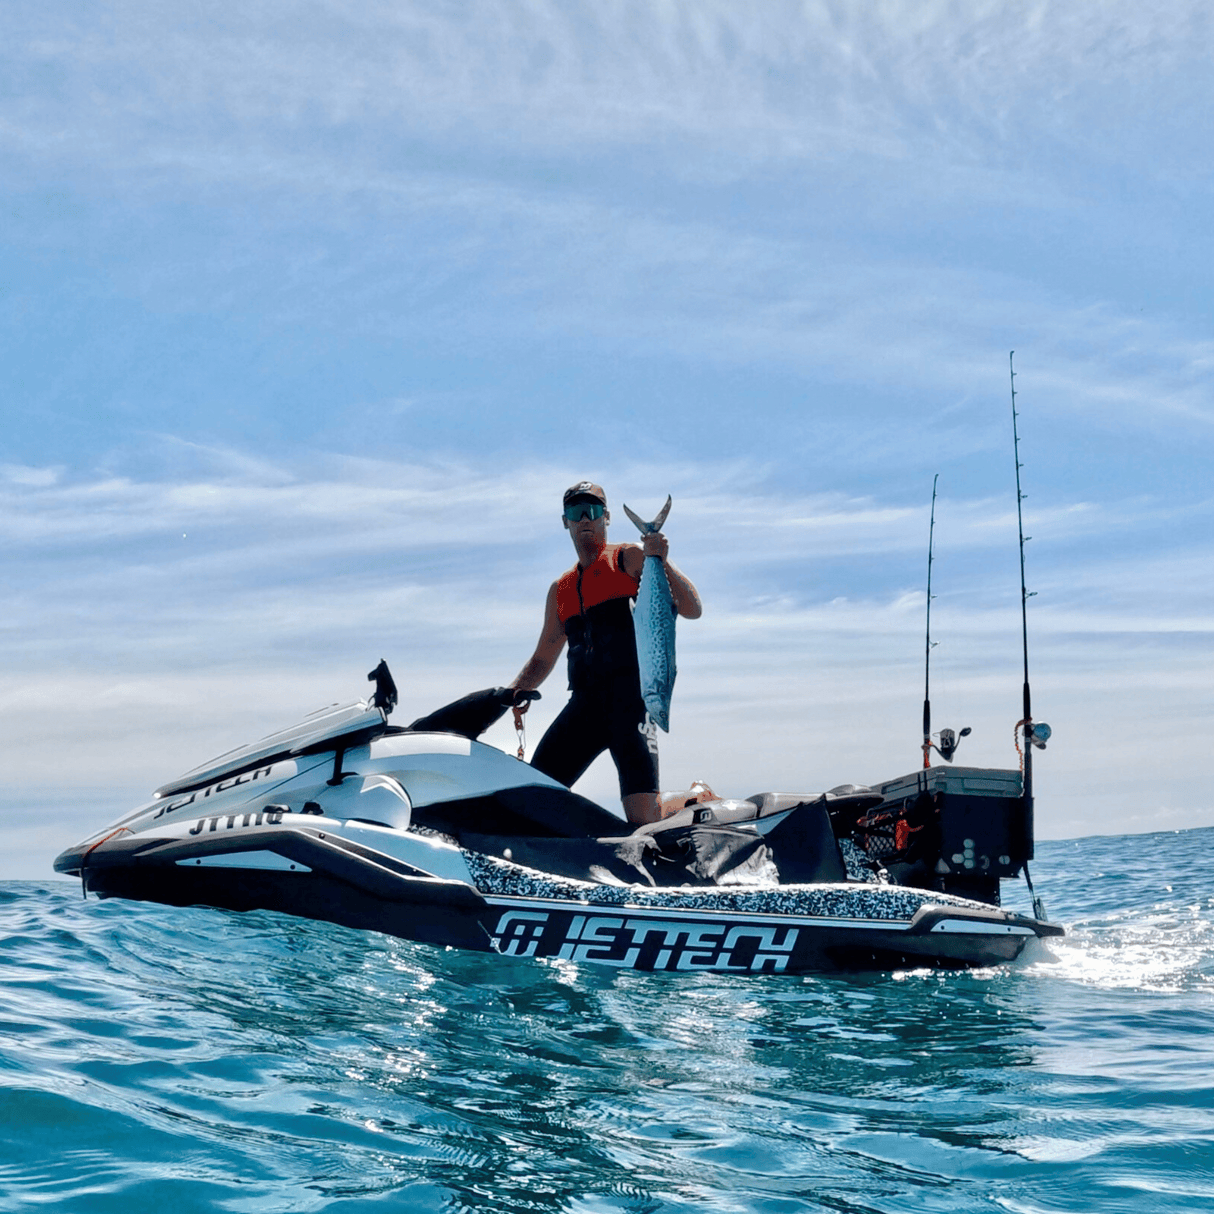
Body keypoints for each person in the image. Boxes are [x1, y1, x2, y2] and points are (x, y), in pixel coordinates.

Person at [509, 481, 702, 826]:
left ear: (606, 517)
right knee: (536, 796)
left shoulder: (629, 558)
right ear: (565, 521)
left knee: (643, 819)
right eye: (576, 511)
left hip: (631, 703)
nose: (585, 518)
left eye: (593, 511)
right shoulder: (560, 589)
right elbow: (543, 657)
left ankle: (693, 800)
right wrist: (513, 693)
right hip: (584, 706)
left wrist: (662, 560)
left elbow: (692, 608)